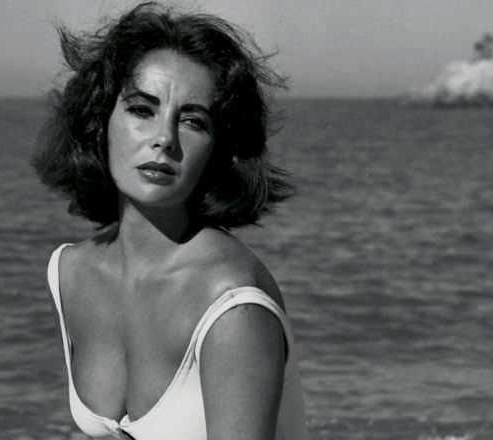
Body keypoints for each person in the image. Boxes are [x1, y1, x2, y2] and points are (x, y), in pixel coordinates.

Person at [32, 3, 311, 439]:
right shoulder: (68, 273)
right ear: (100, 121)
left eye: (193, 121)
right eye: (142, 110)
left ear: (218, 150)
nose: (164, 138)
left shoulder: (231, 304)